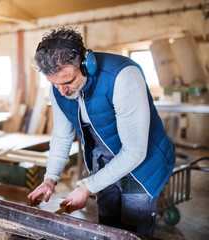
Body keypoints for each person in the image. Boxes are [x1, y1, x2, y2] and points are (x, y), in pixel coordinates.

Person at [27, 26, 175, 237]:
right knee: (107, 222)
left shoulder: (123, 76)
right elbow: (62, 135)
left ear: (87, 65)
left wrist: (87, 188)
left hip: (143, 161)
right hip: (104, 158)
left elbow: (134, 152)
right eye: (54, 84)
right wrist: (50, 178)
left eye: (68, 82)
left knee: (133, 224)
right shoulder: (59, 87)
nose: (62, 91)